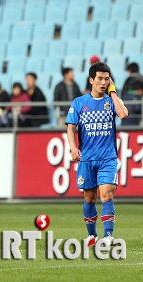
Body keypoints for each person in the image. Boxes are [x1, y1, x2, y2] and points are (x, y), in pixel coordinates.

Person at [65, 62, 128, 247]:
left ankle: (108, 236)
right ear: (91, 80)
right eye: (99, 79)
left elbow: (123, 114)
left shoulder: (111, 101)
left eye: (106, 79)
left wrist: (114, 92)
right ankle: (92, 236)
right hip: (87, 158)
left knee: (106, 194)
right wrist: (73, 147)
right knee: (89, 198)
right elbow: (71, 127)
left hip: (107, 158)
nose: (103, 82)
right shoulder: (79, 103)